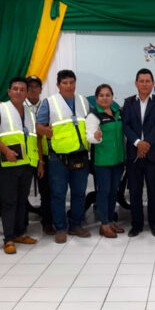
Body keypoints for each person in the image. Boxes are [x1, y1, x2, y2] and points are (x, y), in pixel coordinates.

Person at [0, 77, 42, 254]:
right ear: (9, 91)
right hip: (8, 164)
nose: (18, 92)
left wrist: (40, 162)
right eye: (15, 89)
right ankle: (8, 238)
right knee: (9, 202)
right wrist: (5, 151)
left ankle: (20, 233)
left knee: (21, 202)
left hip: (27, 165)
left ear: (26, 93)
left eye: (22, 89)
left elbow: (34, 138)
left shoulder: (30, 113)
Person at [36, 69, 91, 243]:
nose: (69, 86)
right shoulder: (49, 102)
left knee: (79, 193)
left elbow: (93, 120)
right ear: (58, 85)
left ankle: (76, 225)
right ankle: (60, 228)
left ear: (75, 83)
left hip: (80, 155)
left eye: (71, 82)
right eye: (65, 83)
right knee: (58, 194)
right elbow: (38, 127)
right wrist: (46, 131)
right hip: (58, 158)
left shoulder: (83, 101)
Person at [122, 68, 155, 237]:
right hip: (134, 154)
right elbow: (125, 125)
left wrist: (146, 143)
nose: (144, 84)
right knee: (135, 191)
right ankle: (136, 225)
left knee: (153, 190)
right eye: (141, 81)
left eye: (147, 81)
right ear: (136, 83)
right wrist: (138, 143)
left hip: (153, 153)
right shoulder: (128, 102)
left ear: (153, 84)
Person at [86, 84, 125, 238]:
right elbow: (89, 136)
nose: (104, 98)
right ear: (96, 98)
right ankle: (104, 224)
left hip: (118, 160)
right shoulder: (93, 116)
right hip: (102, 161)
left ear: (112, 97)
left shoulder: (117, 113)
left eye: (107, 95)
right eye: (101, 95)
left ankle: (110, 221)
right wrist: (95, 137)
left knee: (114, 191)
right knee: (104, 192)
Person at [25, 75, 53, 235]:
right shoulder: (19, 106)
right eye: (29, 87)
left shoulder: (48, 106)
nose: (32, 89)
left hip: (45, 155)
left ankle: (47, 222)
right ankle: (22, 224)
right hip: (26, 156)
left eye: (36, 87)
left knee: (46, 191)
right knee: (22, 192)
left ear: (41, 89)